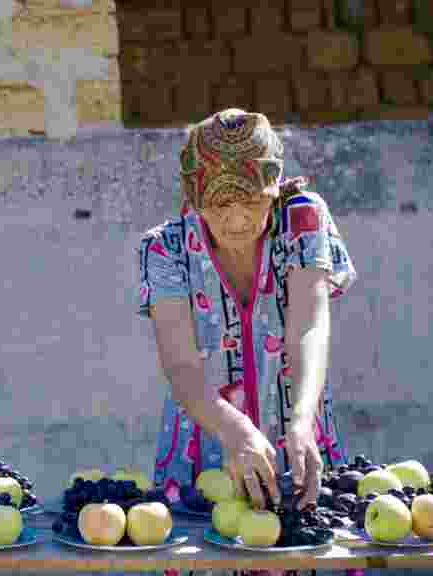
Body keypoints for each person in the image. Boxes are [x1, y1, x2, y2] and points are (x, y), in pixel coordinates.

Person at [136, 109, 359, 576]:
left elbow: (309, 325)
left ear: (274, 186)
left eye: (252, 201)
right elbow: (181, 367)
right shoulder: (164, 249)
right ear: (195, 197)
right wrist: (235, 433)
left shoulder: (303, 219)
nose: (237, 219)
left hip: (299, 445)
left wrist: (302, 421)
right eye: (220, 206)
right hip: (205, 460)